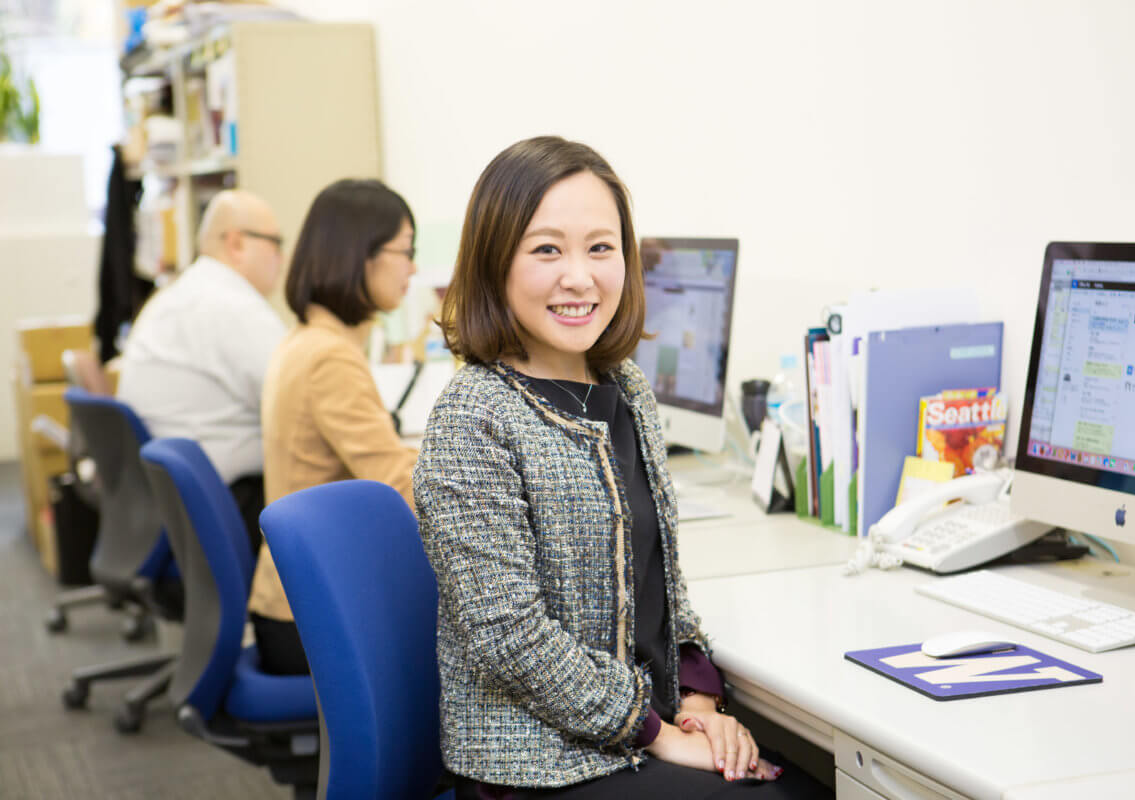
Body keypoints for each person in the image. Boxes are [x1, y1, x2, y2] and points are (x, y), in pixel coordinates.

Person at [415, 137, 827, 798]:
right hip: (537, 763)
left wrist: (698, 702)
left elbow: (662, 583)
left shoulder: (625, 388)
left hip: (637, 729)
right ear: (495, 262)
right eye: (547, 249)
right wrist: (658, 731)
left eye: (600, 248)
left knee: (808, 780)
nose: (579, 276)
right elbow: (509, 639)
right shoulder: (474, 416)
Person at [247, 178, 420, 676]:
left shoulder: (306, 341)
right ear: (359, 256)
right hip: (309, 622)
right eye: (404, 251)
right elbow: (399, 489)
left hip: (295, 601)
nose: (411, 267)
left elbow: (381, 462)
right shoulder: (330, 360)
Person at [117, 189, 286, 552]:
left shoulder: (179, 294)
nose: (282, 258)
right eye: (275, 243)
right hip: (227, 504)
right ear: (237, 244)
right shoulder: (233, 306)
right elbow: (302, 403)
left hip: (172, 502)